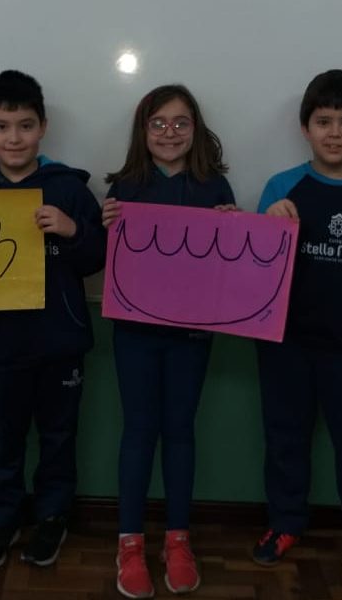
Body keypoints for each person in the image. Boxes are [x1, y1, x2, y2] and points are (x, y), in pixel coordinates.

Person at [252, 69, 342, 596]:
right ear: (305, 127)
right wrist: (269, 225)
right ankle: (285, 522)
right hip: (286, 344)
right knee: (284, 441)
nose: (335, 133)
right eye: (324, 121)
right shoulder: (281, 188)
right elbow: (255, 272)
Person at [0, 70, 106, 571]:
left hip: (60, 344)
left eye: (25, 125)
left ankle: (52, 517)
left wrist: (71, 230)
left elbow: (98, 258)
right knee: (4, 438)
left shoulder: (69, 190)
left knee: (59, 437)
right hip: (2, 346)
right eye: (2, 126)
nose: (14, 138)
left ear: (42, 127)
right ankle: (3, 518)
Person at [102, 84, 236, 598]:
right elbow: (103, 260)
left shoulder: (213, 188)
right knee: (138, 431)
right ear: (143, 130)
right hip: (135, 333)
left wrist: (232, 230)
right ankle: (129, 543)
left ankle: (178, 540)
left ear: (196, 129)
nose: (169, 133)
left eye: (181, 123)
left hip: (192, 335)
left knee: (180, 430)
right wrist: (104, 226)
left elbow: (229, 270)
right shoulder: (126, 187)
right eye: (158, 123)